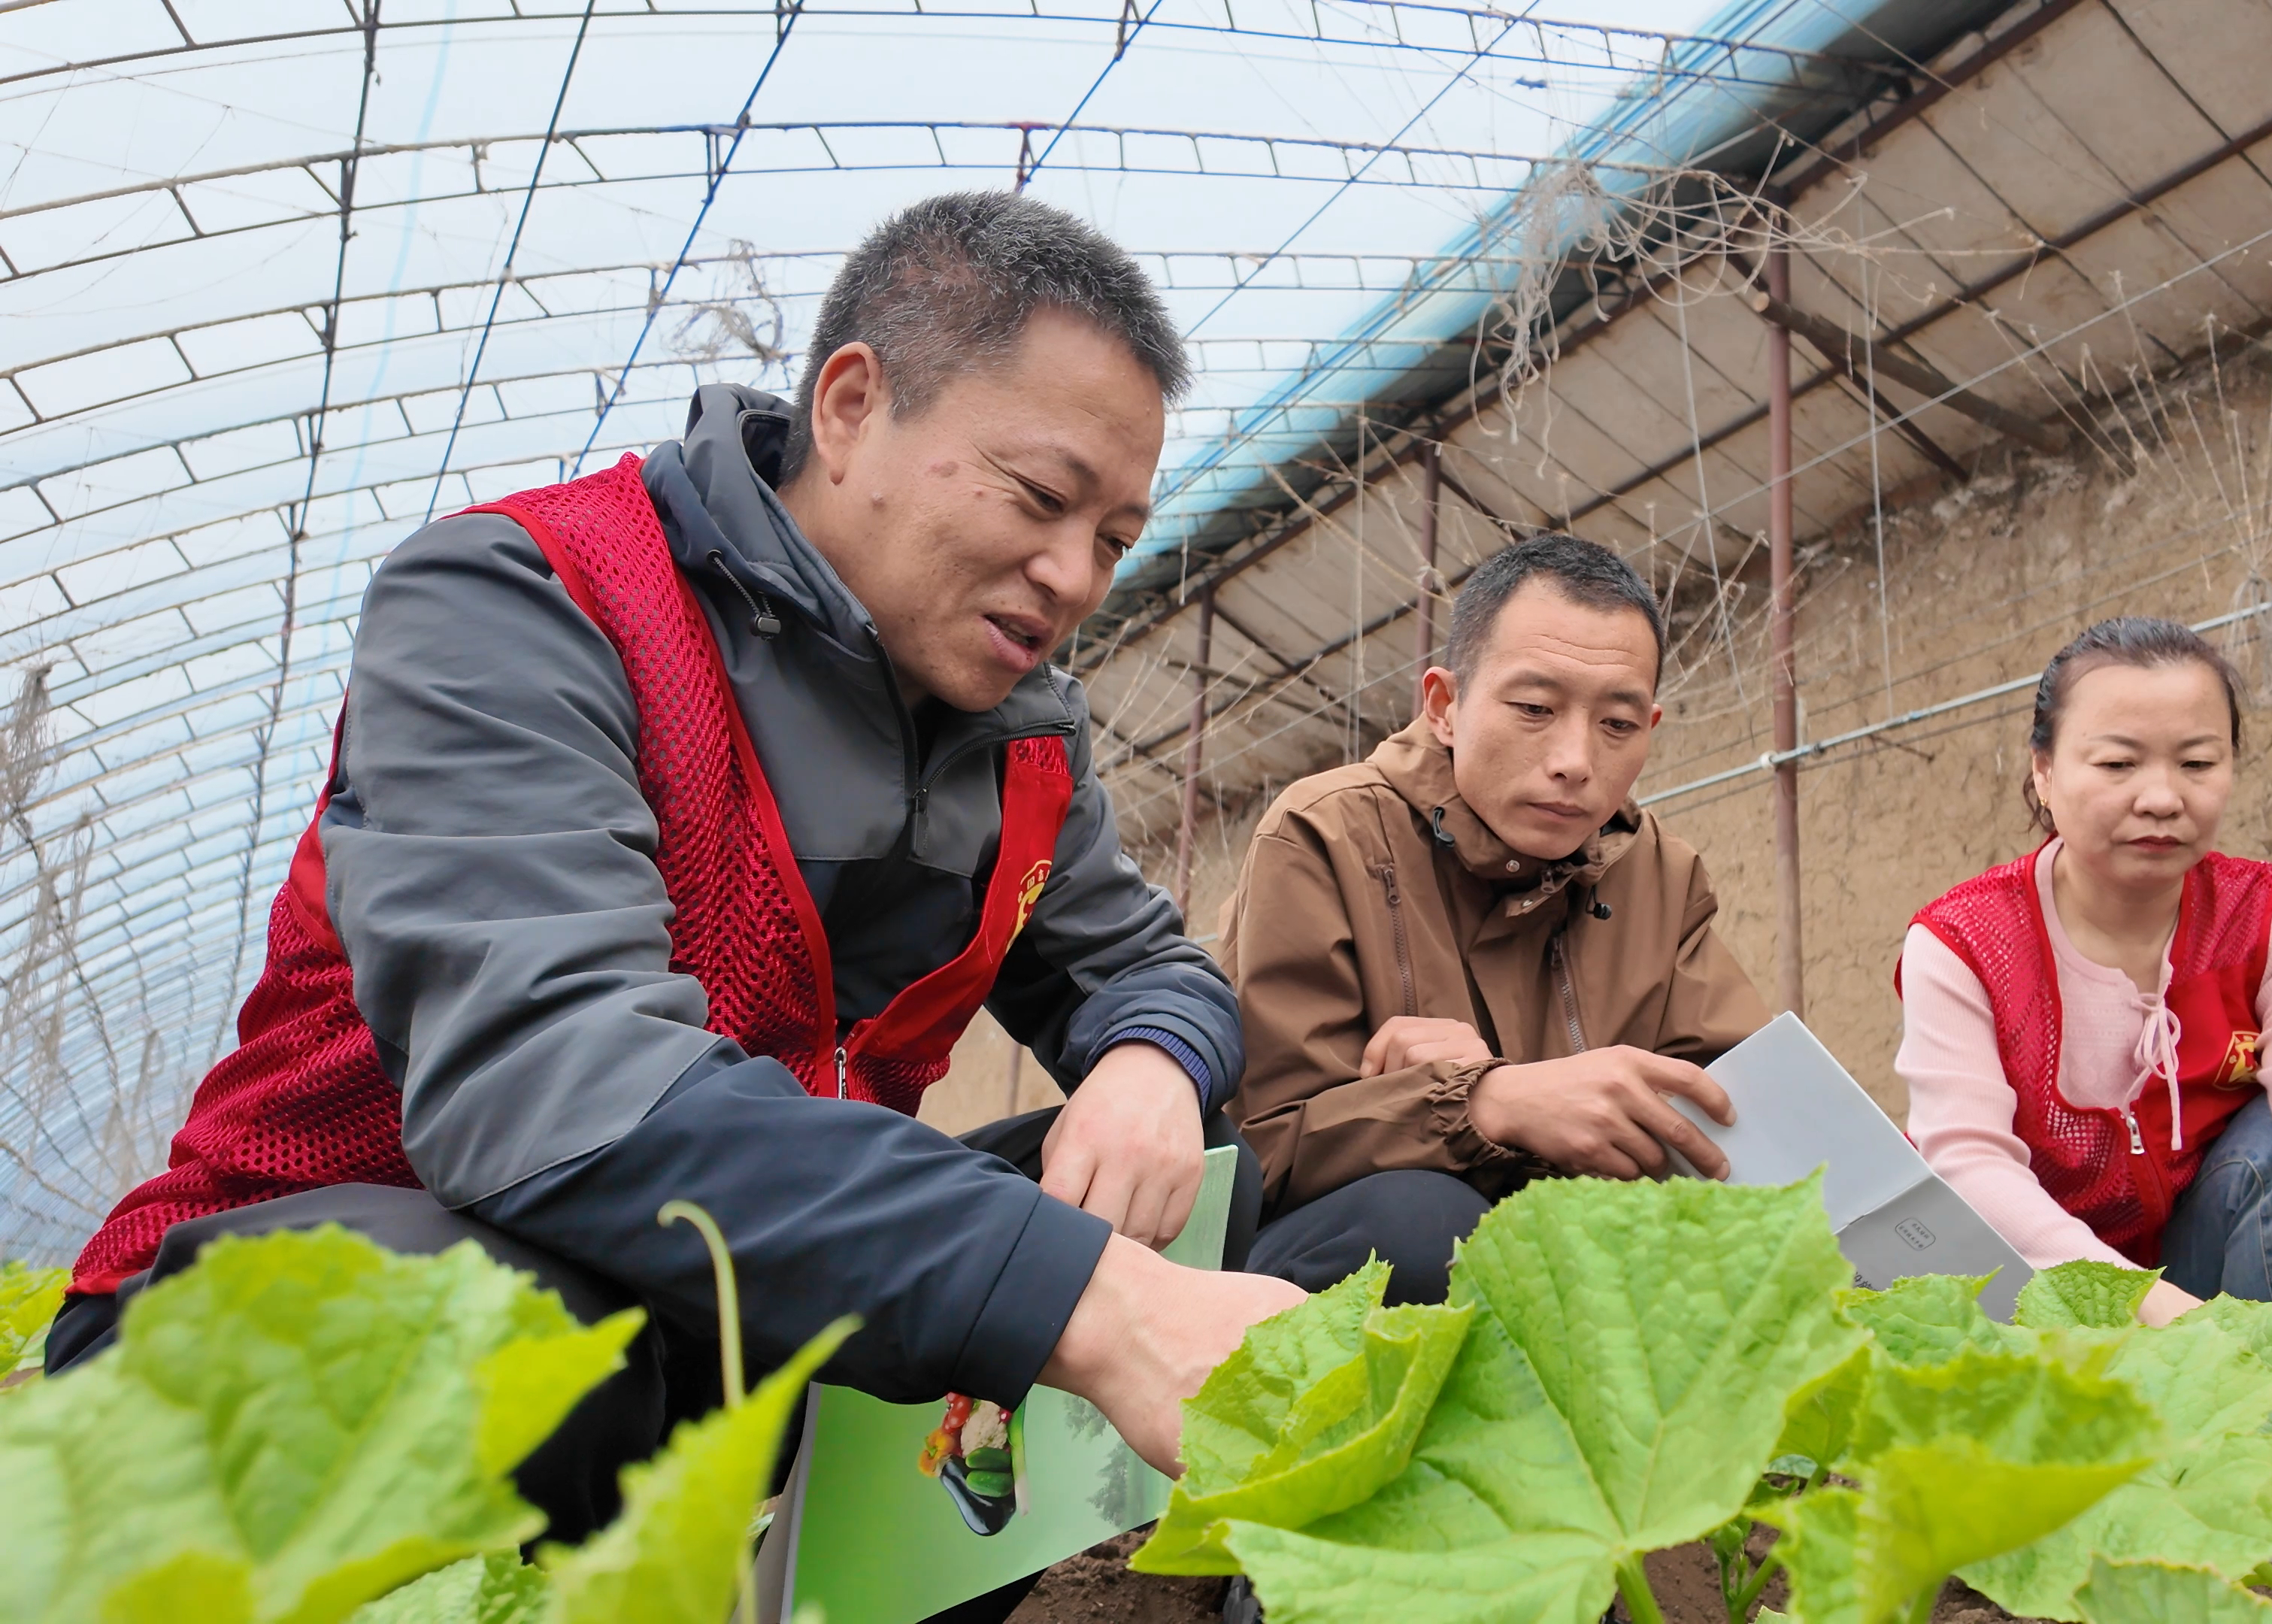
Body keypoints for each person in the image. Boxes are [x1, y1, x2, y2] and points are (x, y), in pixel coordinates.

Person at [44, 192, 1303, 1595]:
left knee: (1128, 1208)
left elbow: (1152, 968)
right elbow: (552, 1075)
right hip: (288, 1321)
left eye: (1117, 538)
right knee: (548, 1325)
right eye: (1037, 498)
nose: (1074, 578)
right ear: (849, 406)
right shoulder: (529, 601)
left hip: (708, 1326)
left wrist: (1152, 1062)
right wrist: (1085, 1298)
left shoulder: (1022, 739)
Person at [1219, 534, 1770, 1304]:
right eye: (1536, 709)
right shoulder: (1326, 834)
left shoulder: (1661, 876)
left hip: (1577, 1277)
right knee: (1422, 1227)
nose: (1575, 760)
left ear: (1651, 726)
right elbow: (1262, 1149)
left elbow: (1734, 1121)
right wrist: (1483, 1101)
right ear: (1444, 706)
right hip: (1337, 1273)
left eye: (1616, 725)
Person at [1896, 618, 2272, 1332]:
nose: (2163, 799)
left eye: (2198, 765)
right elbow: (1969, 1164)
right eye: (2118, 765)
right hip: (2028, 1296)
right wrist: (2173, 1324)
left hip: (2199, 1271)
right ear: (2044, 771)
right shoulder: (1962, 942)